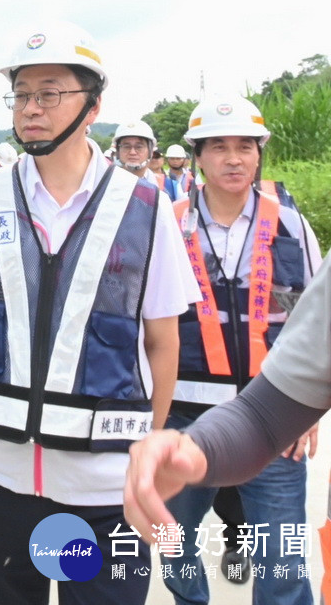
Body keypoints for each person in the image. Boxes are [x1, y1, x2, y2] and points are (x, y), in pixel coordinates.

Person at [0, 21, 198, 605]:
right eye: (21, 95)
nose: (30, 108)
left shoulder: (145, 208)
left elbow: (163, 343)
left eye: (49, 93)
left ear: (92, 106)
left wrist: (150, 450)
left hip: (103, 488)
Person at [157, 95, 321, 605]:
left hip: (271, 413)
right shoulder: (167, 223)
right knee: (173, 542)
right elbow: (144, 326)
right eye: (220, 147)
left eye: (245, 147)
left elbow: (318, 324)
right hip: (182, 414)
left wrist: (307, 411)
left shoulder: (291, 224)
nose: (234, 158)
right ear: (197, 157)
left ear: (259, 154)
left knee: (283, 561)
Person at [124, 250, 331, 601]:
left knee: (281, 563)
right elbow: (263, 415)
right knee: (178, 544)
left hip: (275, 436)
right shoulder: (175, 221)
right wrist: (193, 445)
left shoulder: (285, 219)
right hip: (193, 416)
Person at [113, 120, 166, 190]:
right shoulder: (104, 183)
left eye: (139, 147)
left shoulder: (164, 186)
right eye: (126, 147)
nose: (132, 152)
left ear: (151, 151)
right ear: (118, 151)